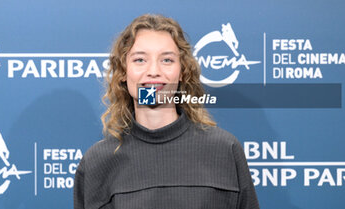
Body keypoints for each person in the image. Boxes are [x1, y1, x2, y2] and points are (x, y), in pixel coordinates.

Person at [74, 14, 260, 209]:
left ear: (182, 72)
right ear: (122, 72)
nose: (153, 71)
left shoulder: (225, 150)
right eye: (140, 60)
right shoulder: (97, 162)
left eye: (167, 60)